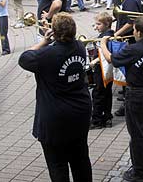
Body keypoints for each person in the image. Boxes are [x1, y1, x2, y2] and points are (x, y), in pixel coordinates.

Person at [18, 12, 92, 182]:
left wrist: (44, 42)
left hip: (55, 118)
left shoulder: (47, 55)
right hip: (80, 113)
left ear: (54, 33)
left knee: (57, 165)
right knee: (80, 160)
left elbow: (24, 58)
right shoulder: (80, 46)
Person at [101, 16, 143, 181]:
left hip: (135, 94)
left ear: (138, 32)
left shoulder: (133, 49)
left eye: (134, 29)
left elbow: (111, 59)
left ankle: (139, 171)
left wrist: (103, 42)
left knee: (137, 134)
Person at [114, 0, 143, 117]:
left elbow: (131, 22)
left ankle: (127, 105)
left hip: (129, 41)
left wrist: (116, 34)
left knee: (129, 73)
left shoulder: (131, 0)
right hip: (130, 40)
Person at [89, 12, 114, 129]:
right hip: (107, 70)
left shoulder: (106, 37)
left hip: (102, 69)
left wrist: (94, 61)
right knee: (107, 93)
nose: (96, 26)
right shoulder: (108, 34)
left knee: (98, 93)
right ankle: (107, 116)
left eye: (99, 24)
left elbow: (105, 54)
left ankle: (97, 119)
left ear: (107, 24)